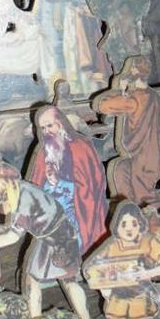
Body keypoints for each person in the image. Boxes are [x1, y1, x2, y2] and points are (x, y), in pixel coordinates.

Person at [0, 161, 99, 319]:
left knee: (68, 281)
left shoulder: (24, 200)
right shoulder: (18, 191)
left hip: (61, 239)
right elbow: (14, 228)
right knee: (33, 281)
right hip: (48, 238)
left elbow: (12, 237)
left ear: (5, 182)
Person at [93, 56, 160, 205]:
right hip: (153, 159)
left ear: (135, 73)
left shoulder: (133, 100)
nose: (126, 73)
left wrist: (118, 89)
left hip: (139, 161)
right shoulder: (157, 98)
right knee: (121, 173)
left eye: (130, 69)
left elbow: (101, 106)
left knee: (143, 201)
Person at [28, 105, 108, 253]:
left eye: (50, 126)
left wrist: (60, 183)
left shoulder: (80, 147)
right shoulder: (43, 152)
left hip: (77, 206)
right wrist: (48, 184)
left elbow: (89, 186)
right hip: (52, 205)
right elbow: (36, 185)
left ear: (61, 124)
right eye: (43, 128)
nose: (46, 132)